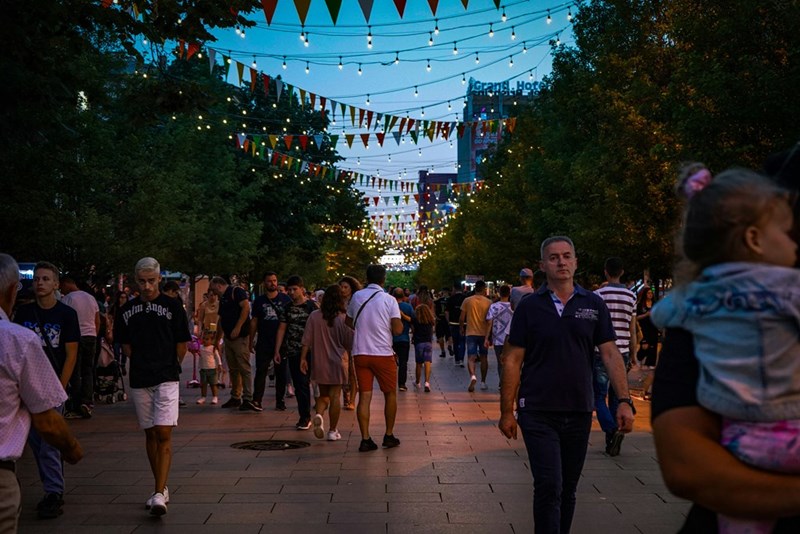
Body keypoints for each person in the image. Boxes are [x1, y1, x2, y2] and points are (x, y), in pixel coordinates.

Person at [651, 147, 800, 533]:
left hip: (746, 442)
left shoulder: (702, 299)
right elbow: (688, 466)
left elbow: (664, 313)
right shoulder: (785, 289)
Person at [499, 236, 635, 533]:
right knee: (549, 485)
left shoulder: (593, 303)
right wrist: (506, 410)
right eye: (553, 257)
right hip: (537, 409)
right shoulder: (529, 306)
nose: (561, 262)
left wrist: (624, 400)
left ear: (575, 261)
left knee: (568, 488)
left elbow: (610, 353)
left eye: (566, 256)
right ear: (542, 266)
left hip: (578, 408)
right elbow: (512, 359)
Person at [0, 254, 83, 533]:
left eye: (46, 279)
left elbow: (71, 353)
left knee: (47, 442)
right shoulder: (23, 315)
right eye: (36, 279)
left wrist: (60, 386)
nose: (40, 283)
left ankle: (53, 491)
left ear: (57, 283)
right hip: (22, 387)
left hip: (50, 387)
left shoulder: (66, 315)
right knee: (35, 442)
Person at [113, 257, 191, 516]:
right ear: (136, 280)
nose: (146, 286)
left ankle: (158, 492)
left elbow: (182, 342)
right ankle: (161, 486)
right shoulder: (126, 311)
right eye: (142, 281)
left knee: (163, 432)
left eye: (151, 281)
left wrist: (171, 366)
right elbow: (125, 344)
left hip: (166, 376)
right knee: (150, 433)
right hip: (140, 378)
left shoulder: (173, 306)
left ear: (159, 279)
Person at [345, 264, 403, 452]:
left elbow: (348, 321)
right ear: (383, 279)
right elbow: (397, 329)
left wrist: (364, 329)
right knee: (390, 394)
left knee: (365, 396)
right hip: (383, 353)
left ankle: (365, 438)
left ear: (366, 278)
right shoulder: (389, 300)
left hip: (360, 352)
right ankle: (388, 434)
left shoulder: (356, 296)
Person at [593, 257, 638, 457]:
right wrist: (634, 353)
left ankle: (611, 428)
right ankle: (612, 438)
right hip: (623, 351)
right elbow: (632, 328)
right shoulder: (631, 296)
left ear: (605, 272)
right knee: (616, 396)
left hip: (601, 351)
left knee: (598, 396)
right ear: (622, 272)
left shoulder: (597, 295)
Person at [300, 284, 354, 441]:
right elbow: (349, 343)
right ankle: (332, 430)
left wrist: (303, 358)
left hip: (319, 361)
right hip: (338, 362)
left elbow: (306, 340)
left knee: (323, 395)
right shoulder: (343, 319)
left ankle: (318, 414)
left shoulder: (314, 316)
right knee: (335, 396)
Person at [273, 275, 318, 428]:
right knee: (300, 384)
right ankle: (304, 416)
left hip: (313, 350)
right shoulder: (287, 308)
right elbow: (282, 328)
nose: (291, 292)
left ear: (302, 289)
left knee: (317, 383)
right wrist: (277, 350)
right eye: (289, 290)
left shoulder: (312, 307)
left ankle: (320, 411)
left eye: (294, 289)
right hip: (294, 351)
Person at [210, 276, 256, 412]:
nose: (213, 293)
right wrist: (217, 339)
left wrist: (238, 327)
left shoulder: (236, 291)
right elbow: (221, 319)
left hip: (240, 337)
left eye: (213, 289)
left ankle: (248, 397)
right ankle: (235, 396)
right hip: (229, 338)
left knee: (243, 367)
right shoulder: (223, 298)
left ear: (219, 286)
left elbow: (246, 308)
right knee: (233, 368)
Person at [250, 271, 292, 411]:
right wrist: (251, 340)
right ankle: (257, 400)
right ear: (264, 283)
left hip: (282, 342)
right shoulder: (259, 301)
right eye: (269, 281)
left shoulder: (286, 300)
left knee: (281, 372)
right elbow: (254, 321)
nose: (272, 283)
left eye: (274, 280)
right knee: (261, 371)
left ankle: (280, 400)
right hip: (264, 340)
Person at [60, 275, 100, 419]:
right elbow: (97, 319)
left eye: (61, 286)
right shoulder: (90, 298)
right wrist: (94, 334)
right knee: (88, 370)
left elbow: (64, 320)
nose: (61, 290)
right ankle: (87, 402)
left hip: (75, 338)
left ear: (67, 284)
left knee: (75, 371)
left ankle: (76, 405)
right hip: (91, 337)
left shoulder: (68, 299)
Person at [460, 280, 492, 392]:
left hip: (471, 332)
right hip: (484, 333)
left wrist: (461, 328)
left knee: (471, 357)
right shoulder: (488, 302)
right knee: (484, 357)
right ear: (483, 289)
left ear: (475, 288)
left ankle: (473, 376)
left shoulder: (467, 300)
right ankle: (483, 382)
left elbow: (461, 318)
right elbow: (489, 320)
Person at [338, 276, 362, 410]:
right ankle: (345, 396)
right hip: (339, 338)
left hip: (354, 338)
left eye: (346, 287)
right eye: (341, 286)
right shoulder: (336, 303)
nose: (343, 290)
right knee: (342, 369)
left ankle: (351, 399)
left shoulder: (357, 302)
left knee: (352, 371)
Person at [484, 283, 512, 389]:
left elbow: (489, 322)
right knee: (510, 362)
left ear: (499, 293)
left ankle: (502, 382)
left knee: (500, 362)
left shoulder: (494, 306)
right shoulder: (513, 307)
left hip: (498, 339)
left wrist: (487, 338)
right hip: (511, 339)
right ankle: (509, 382)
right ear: (509, 294)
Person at [392, 287, 415, 392]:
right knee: (403, 362)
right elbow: (413, 320)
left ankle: (391, 382)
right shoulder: (408, 307)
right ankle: (402, 384)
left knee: (391, 362)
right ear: (403, 296)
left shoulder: (389, 306)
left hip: (390, 339)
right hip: (404, 338)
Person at [411, 303, 435, 392]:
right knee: (428, 362)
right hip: (428, 343)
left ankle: (417, 382)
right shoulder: (430, 320)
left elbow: (413, 329)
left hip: (419, 343)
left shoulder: (415, 320)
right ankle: (427, 382)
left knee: (419, 363)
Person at [196, 330, 222, 405]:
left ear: (212, 340)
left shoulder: (213, 348)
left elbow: (217, 357)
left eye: (207, 339)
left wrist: (219, 365)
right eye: (203, 338)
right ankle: (203, 397)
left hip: (212, 369)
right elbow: (196, 350)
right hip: (203, 369)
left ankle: (215, 397)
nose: (204, 340)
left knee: (213, 384)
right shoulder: (200, 347)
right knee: (203, 384)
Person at [446, 284, 466, 367]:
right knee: (462, 341)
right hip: (464, 323)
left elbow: (447, 311)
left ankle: (457, 359)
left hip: (453, 323)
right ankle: (461, 359)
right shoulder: (465, 298)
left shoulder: (451, 299)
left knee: (455, 341)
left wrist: (448, 321)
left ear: (454, 289)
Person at [433, 288, 451, 358]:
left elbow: (433, 306)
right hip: (448, 320)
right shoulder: (450, 300)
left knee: (440, 336)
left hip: (440, 320)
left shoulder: (438, 301)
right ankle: (450, 345)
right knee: (449, 335)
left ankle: (443, 351)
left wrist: (436, 316)